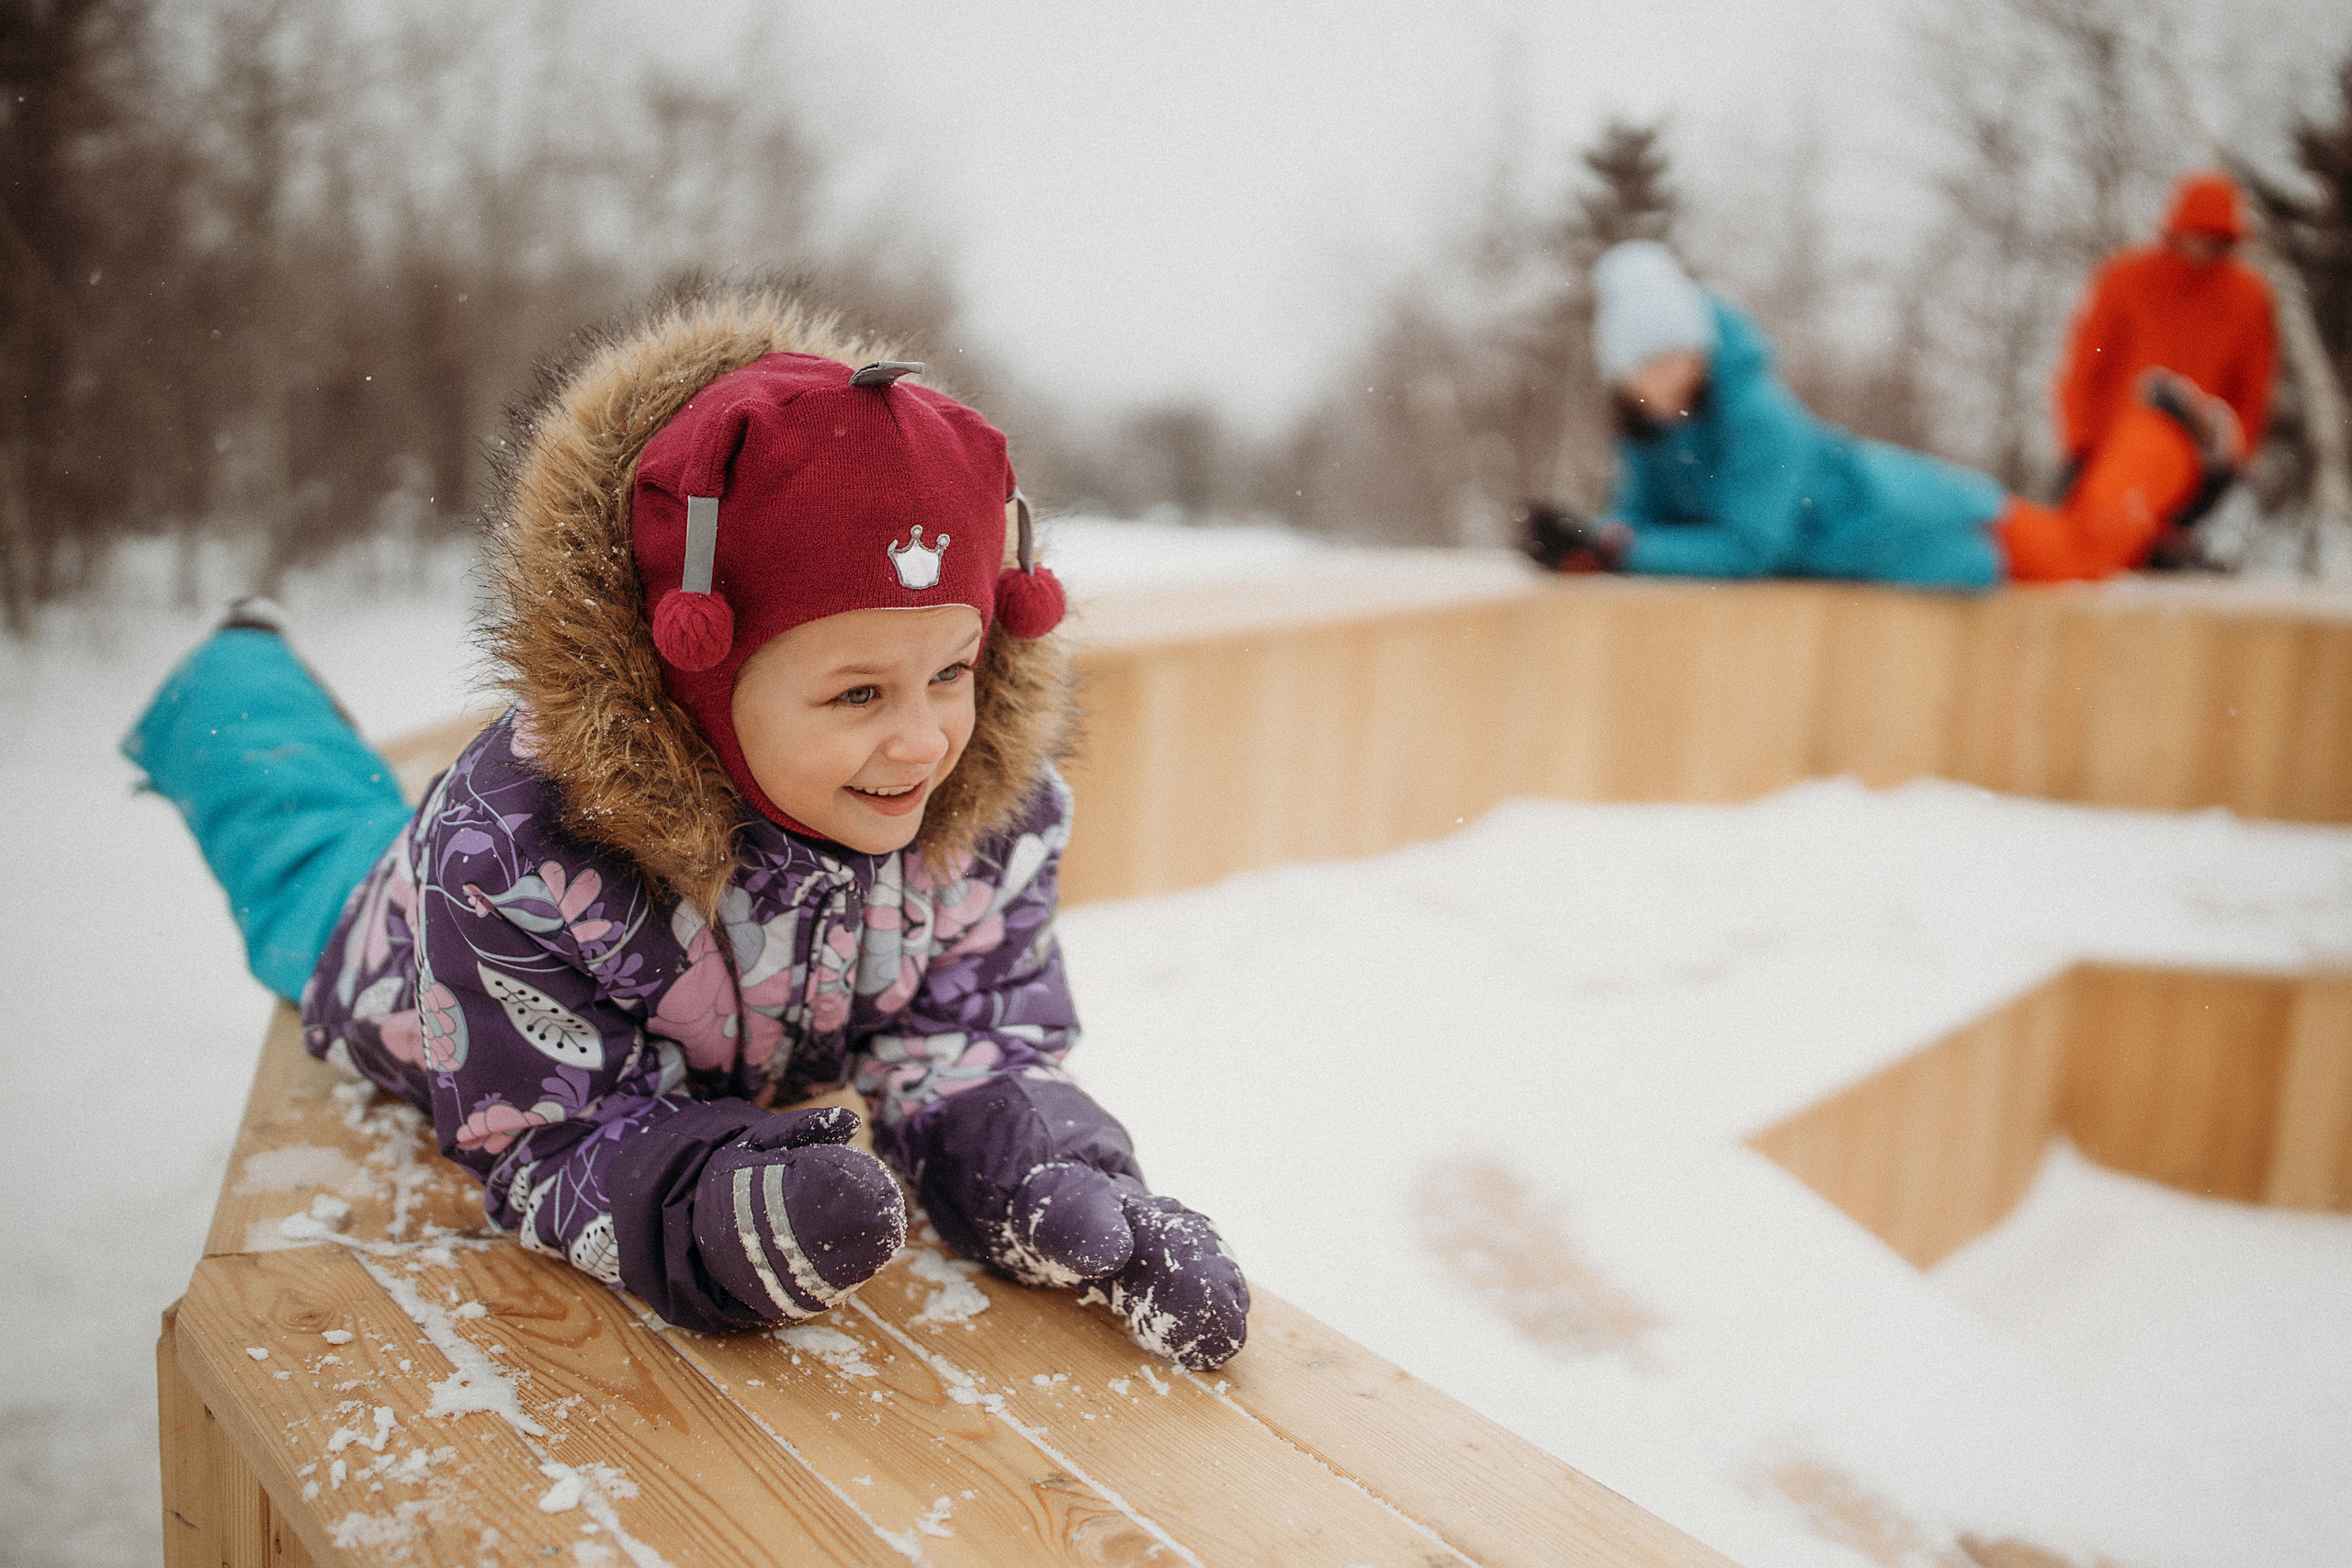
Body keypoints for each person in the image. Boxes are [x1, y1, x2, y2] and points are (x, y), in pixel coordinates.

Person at [123, 285, 1250, 1371]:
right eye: (858, 694)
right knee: (294, 815)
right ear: (696, 671)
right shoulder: (518, 848)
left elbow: (970, 1042)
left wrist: (1053, 1180)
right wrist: (709, 1210)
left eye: (952, 673)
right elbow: (548, 1128)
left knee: (346, 803)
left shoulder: (978, 825)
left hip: (693, 1034)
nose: (922, 742)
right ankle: (237, 665)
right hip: (383, 955)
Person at [1522, 239, 2010, 588]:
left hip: (1938, 525)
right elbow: (1646, 521)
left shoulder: (1758, 418)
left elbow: (1750, 550)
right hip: (1888, 558)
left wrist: (1621, 551)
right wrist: (1594, 542)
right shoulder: (1652, 430)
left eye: (1677, 358)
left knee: (2078, 552)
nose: (1665, 378)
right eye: (1648, 366)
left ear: (1702, 353)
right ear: (1622, 376)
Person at [1998, 171, 2276, 581]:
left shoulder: (2249, 297)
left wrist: (2231, 464)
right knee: (2078, 556)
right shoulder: (2125, 277)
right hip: (2111, 450)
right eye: (2194, 233)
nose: (2201, 246)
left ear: (2228, 239)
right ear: (2175, 229)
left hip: (2190, 459)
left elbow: (2251, 393)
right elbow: (2083, 369)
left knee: (2125, 564)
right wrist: (2079, 447)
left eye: (2214, 237)